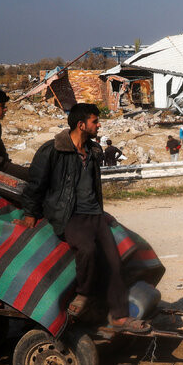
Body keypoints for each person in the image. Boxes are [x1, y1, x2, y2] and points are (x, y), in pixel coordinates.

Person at [21, 103, 150, 334]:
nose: (98, 125)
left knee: (114, 261)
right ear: (81, 125)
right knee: (87, 250)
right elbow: (36, 184)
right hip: (68, 214)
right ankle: (84, 294)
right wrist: (30, 213)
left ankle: (120, 317)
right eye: (94, 121)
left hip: (94, 214)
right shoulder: (52, 150)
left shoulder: (93, 152)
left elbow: (92, 187)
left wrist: (101, 212)